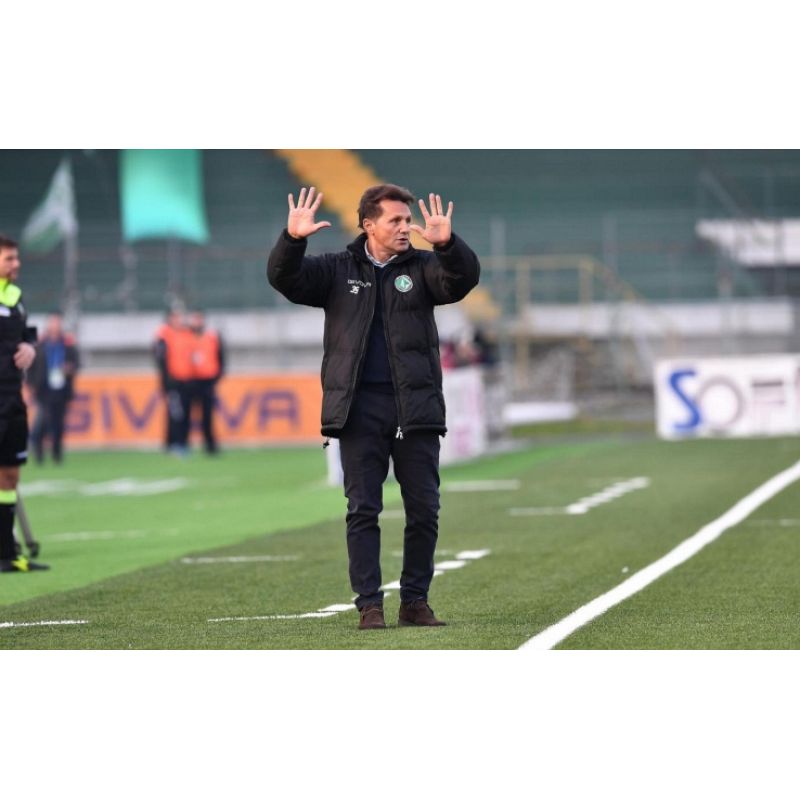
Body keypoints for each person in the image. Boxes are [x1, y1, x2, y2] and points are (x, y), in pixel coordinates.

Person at [268, 185, 480, 629]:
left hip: (415, 407)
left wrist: (447, 246)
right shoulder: (336, 269)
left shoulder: (424, 267)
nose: (405, 228)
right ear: (369, 225)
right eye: (395, 221)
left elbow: (461, 281)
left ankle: (415, 601)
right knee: (363, 509)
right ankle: (369, 604)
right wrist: (292, 241)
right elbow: (286, 280)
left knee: (424, 509)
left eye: (407, 220)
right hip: (359, 410)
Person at [0, 235, 48, 572]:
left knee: (10, 475)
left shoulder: (14, 297)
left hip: (12, 398)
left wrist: (30, 346)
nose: (17, 264)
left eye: (16, 258)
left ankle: (7, 553)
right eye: (9, 259)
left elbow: (27, 332)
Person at [26, 312, 80, 464]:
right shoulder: (39, 343)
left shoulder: (68, 343)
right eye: (53, 322)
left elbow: (76, 363)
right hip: (43, 389)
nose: (55, 325)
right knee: (42, 421)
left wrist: (69, 368)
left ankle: (57, 454)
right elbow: (30, 366)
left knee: (58, 423)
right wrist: (31, 384)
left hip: (61, 389)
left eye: (57, 322)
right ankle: (38, 452)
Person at [153, 309, 193, 455]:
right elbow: (160, 360)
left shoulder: (186, 334)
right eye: (175, 317)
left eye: (179, 317)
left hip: (187, 381)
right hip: (173, 381)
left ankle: (182, 443)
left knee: (185, 413)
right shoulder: (164, 335)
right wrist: (166, 381)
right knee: (175, 414)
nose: (178, 320)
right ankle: (173, 443)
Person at [186, 310, 225, 454]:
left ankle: (210, 444)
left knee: (207, 414)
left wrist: (217, 376)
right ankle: (184, 444)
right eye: (195, 319)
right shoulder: (185, 336)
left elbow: (220, 356)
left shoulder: (212, 336)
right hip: (190, 380)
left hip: (207, 380)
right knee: (186, 413)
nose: (197, 322)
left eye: (199, 319)